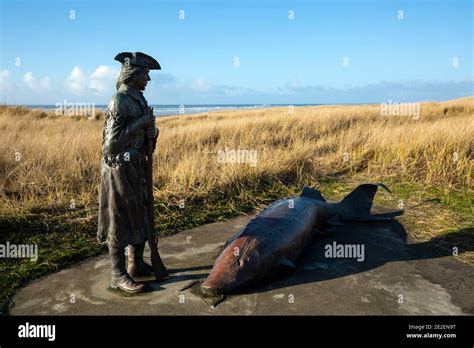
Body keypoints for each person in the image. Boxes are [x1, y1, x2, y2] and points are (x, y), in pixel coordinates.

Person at [97, 52, 167, 294]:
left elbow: (142, 135)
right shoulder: (120, 100)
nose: (148, 79)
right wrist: (142, 123)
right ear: (134, 75)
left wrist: (151, 133)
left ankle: (135, 263)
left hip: (135, 165)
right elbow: (112, 144)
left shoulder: (138, 98)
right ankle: (118, 275)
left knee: (140, 212)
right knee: (119, 218)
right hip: (118, 168)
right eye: (145, 74)